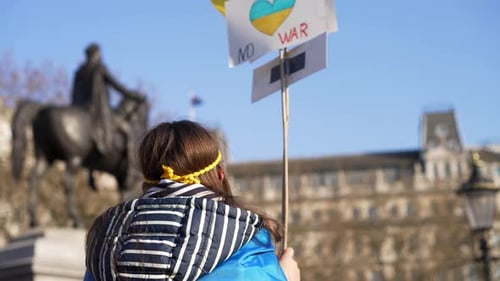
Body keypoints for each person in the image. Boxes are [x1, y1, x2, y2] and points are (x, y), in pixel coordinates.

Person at [84, 120, 300, 281]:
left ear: (147, 181)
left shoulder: (105, 238)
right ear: (221, 175)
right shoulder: (245, 237)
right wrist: (283, 277)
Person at [71, 43, 144, 157]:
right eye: (99, 54)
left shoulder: (79, 71)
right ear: (95, 54)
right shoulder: (100, 68)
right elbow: (117, 86)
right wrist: (133, 95)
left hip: (80, 107)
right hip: (98, 108)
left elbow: (74, 92)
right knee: (127, 132)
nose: (101, 56)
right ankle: (130, 168)